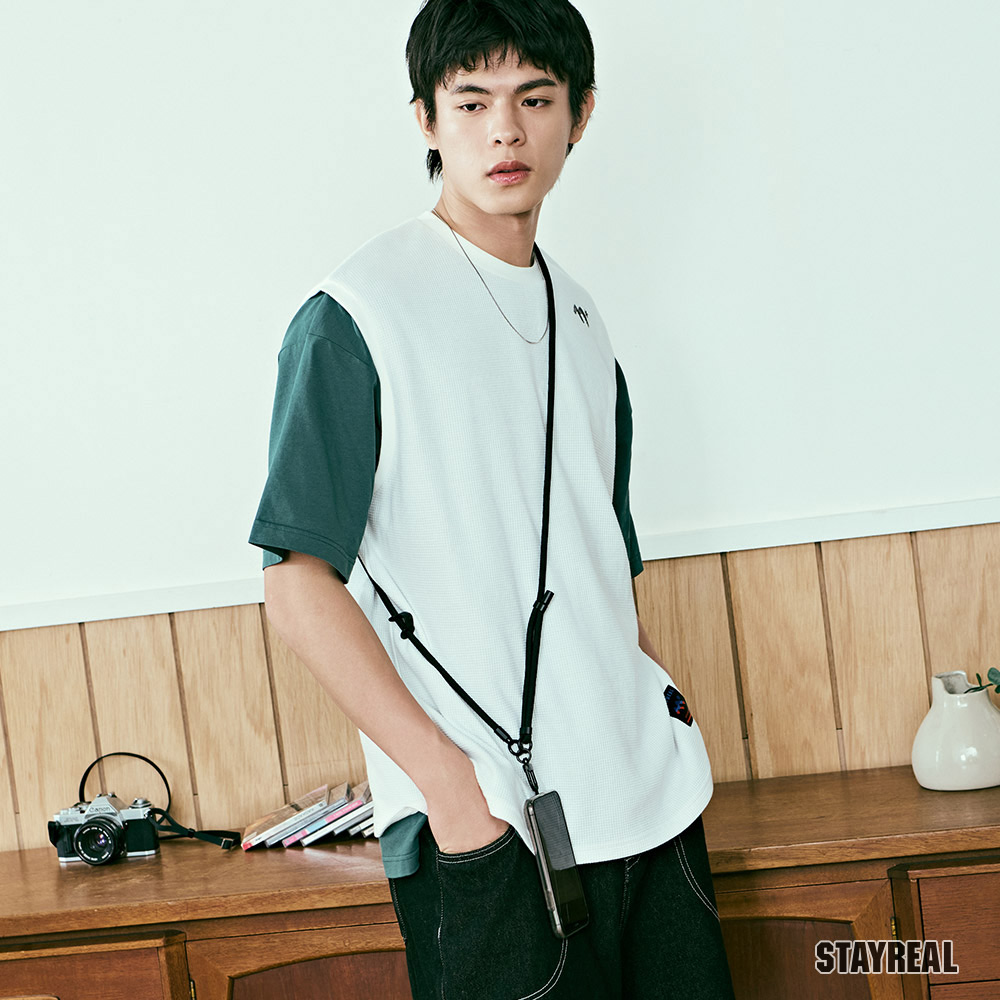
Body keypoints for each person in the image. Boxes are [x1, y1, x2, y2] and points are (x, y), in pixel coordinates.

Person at [250, 1, 736, 997]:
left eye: (534, 99)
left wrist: (665, 721)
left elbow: (602, 568)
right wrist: (449, 787)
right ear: (426, 119)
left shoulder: (586, 321)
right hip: (490, 831)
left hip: (652, 807)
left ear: (580, 114)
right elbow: (296, 587)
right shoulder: (356, 314)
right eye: (471, 102)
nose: (504, 130)